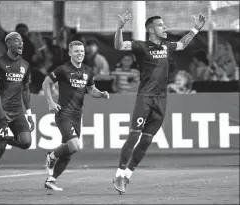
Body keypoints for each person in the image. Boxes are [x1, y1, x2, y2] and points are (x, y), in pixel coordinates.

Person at [112, 11, 206, 194]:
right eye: (161, 25)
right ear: (151, 29)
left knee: (146, 141)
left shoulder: (166, 46)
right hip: (145, 97)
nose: (165, 28)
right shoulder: (141, 46)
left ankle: (126, 177)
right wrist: (119, 28)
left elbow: (182, 44)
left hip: (161, 100)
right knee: (134, 136)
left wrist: (195, 29)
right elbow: (119, 46)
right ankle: (118, 173)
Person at [42, 40, 110, 191]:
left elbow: (91, 90)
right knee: (74, 146)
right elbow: (46, 83)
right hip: (63, 113)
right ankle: (51, 155)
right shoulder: (62, 69)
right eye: (77, 51)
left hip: (76, 115)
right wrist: (51, 103)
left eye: (82, 51)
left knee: (69, 151)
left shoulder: (88, 70)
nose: (80, 54)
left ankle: (51, 180)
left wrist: (101, 94)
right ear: (70, 53)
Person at [0, 32, 35, 193]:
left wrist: (29, 114)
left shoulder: (25, 65)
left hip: (17, 111)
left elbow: (26, 90)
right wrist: (0, 111)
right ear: (9, 43)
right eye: (17, 40)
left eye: (22, 41)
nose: (21, 44)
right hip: (1, 111)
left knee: (26, 142)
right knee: (0, 147)